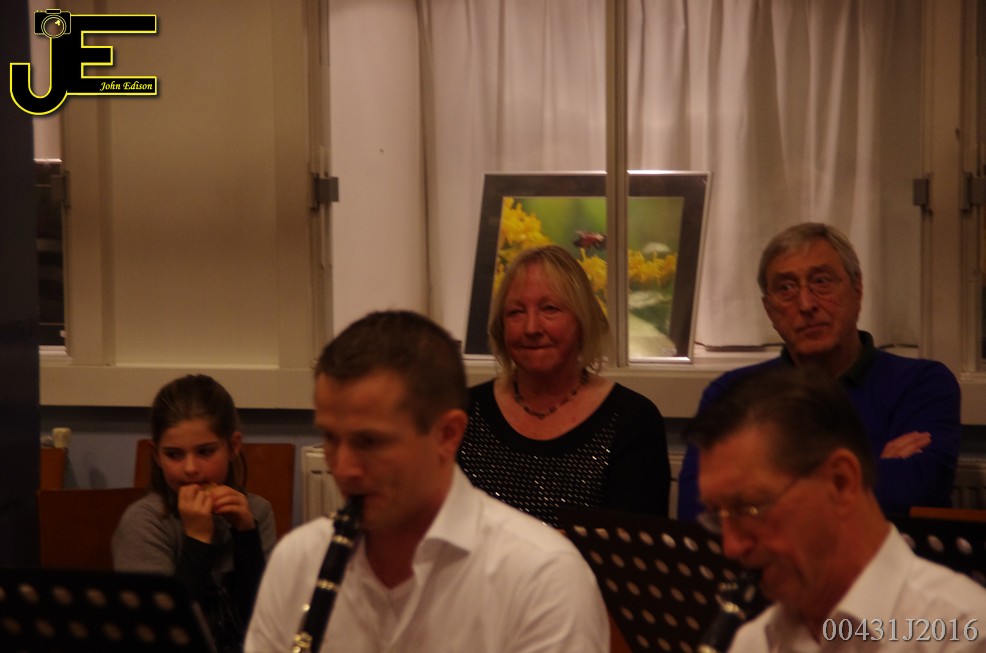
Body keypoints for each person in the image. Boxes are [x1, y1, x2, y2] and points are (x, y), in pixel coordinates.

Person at [244, 310, 608, 652]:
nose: (344, 469)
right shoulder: (298, 560)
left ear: (447, 435)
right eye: (330, 438)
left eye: (369, 442)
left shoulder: (543, 575)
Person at [688, 365, 985, 652]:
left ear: (840, 482)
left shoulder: (964, 633)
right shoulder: (751, 642)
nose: (731, 547)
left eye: (749, 509)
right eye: (717, 516)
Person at [678, 222, 961, 520]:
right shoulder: (731, 393)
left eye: (822, 281)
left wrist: (759, 483)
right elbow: (696, 509)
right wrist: (869, 471)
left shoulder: (921, 384)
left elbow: (915, 491)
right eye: (786, 288)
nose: (806, 304)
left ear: (857, 290)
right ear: (769, 309)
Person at [458, 245, 670, 527]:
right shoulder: (464, 412)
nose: (531, 328)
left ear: (583, 321)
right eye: (516, 312)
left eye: (550, 309)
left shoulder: (633, 421)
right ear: (500, 327)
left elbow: (632, 545)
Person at [113, 374, 276, 653]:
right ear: (156, 454)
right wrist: (198, 540)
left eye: (205, 451)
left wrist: (246, 535)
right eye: (174, 454)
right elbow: (160, 633)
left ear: (233, 447)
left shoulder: (257, 511)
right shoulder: (145, 522)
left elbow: (267, 623)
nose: (190, 468)